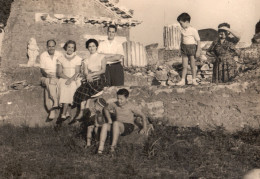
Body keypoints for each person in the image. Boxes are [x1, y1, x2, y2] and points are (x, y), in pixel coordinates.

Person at [97, 88, 147, 154]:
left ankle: (112, 148)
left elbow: (143, 115)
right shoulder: (115, 104)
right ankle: (100, 149)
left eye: (121, 99)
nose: (119, 101)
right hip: (117, 125)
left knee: (116, 123)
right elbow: (106, 109)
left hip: (128, 126)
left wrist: (144, 128)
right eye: (118, 98)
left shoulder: (131, 106)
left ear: (126, 98)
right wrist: (109, 120)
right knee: (105, 125)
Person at [72, 39, 107, 121]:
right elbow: (85, 71)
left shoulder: (102, 57)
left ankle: (82, 110)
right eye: (89, 46)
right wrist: (88, 75)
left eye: (93, 46)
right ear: (87, 48)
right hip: (89, 77)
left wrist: (92, 75)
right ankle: (83, 109)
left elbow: (103, 70)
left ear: (96, 47)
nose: (91, 48)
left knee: (86, 86)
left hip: (99, 77)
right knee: (85, 85)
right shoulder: (86, 59)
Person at [57, 40, 82, 121]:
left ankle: (63, 113)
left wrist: (71, 80)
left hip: (74, 78)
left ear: (74, 49)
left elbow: (77, 72)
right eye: (69, 47)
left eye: (72, 47)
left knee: (71, 86)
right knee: (64, 85)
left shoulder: (78, 58)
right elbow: (59, 73)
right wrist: (67, 79)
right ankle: (66, 112)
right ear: (66, 47)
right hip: (64, 78)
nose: (70, 49)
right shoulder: (60, 59)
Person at [176, 13, 201, 86]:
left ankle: (194, 80)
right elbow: (181, 40)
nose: (180, 25)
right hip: (184, 49)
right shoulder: (181, 30)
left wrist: (198, 51)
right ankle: (183, 80)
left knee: (193, 66)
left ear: (187, 22)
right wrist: (179, 50)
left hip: (192, 49)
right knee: (184, 66)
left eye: (181, 23)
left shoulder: (193, 30)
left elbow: (198, 41)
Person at [40, 39, 62, 121]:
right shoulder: (43, 55)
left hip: (57, 75)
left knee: (48, 89)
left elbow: (61, 67)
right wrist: (47, 75)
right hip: (46, 75)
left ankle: (51, 111)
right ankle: (56, 101)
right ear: (47, 47)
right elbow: (42, 69)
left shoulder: (59, 55)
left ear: (55, 47)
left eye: (53, 46)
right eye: (49, 46)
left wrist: (57, 74)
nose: (51, 48)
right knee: (49, 81)